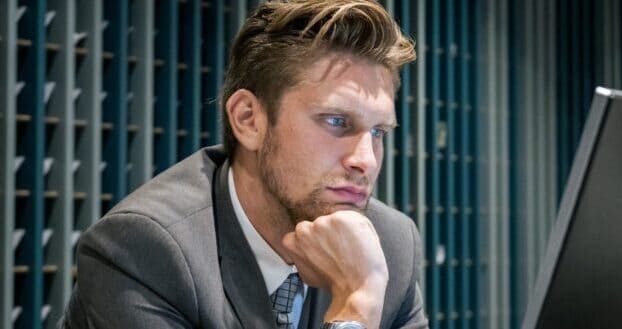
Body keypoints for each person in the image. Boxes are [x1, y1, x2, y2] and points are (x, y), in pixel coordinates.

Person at [60, 1, 427, 328]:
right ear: (249, 119)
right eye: (336, 122)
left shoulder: (390, 246)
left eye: (379, 132)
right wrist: (356, 307)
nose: (365, 160)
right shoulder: (148, 251)